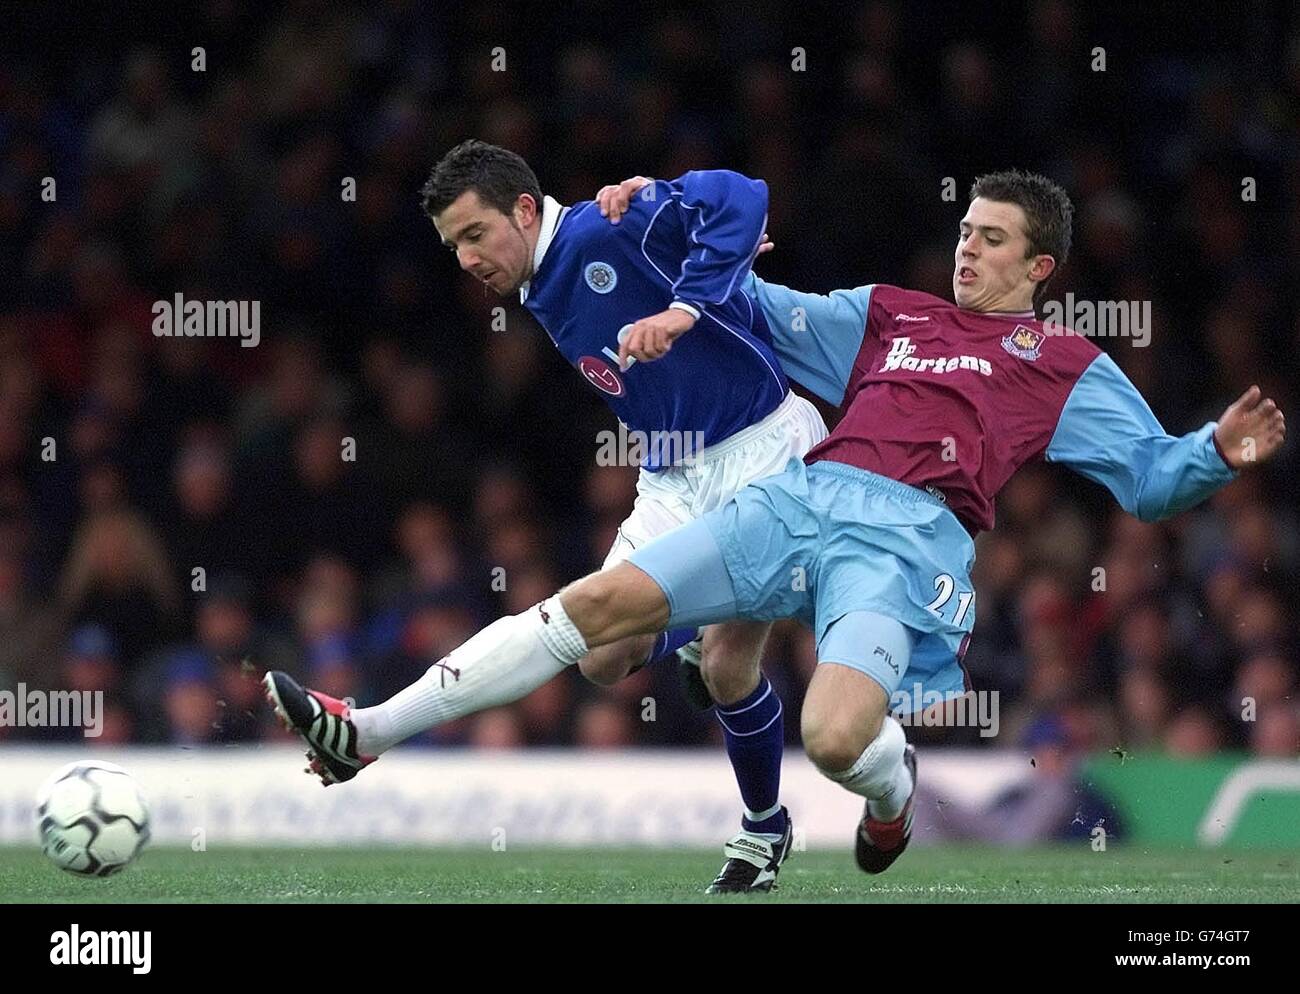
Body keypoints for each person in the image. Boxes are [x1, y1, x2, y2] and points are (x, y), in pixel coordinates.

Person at [266, 168, 1285, 879]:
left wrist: (1212, 455)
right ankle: (368, 732)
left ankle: (888, 798)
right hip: (799, 497)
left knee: (835, 735)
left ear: (1041, 267)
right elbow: (756, 303)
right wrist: (660, 212)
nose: (967, 251)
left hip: (903, 543)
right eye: (965, 230)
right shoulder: (893, 313)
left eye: (992, 240)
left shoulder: (1062, 363)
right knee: (595, 613)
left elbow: (1151, 482)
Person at [283, 140, 827, 893]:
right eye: (452, 247)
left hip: (764, 452)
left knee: (730, 667)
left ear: (526, 209)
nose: (467, 259)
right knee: (604, 661)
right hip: (673, 474)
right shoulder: (539, 287)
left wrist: (683, 301)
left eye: (476, 234)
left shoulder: (608, 224)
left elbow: (743, 192)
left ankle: (368, 731)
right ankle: (699, 642)